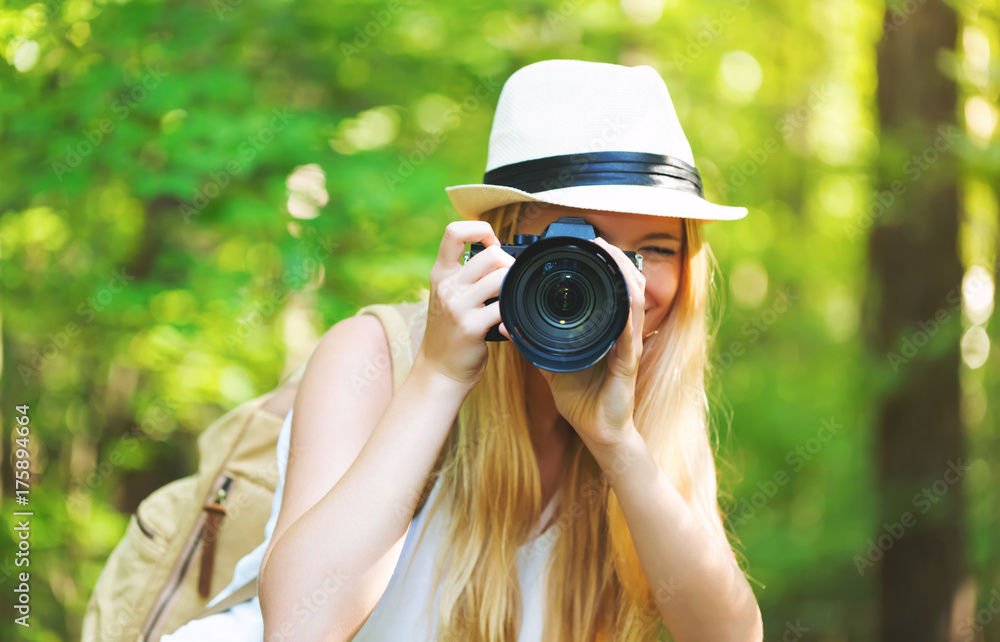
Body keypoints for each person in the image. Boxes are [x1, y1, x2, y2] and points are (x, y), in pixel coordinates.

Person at [164, 59, 763, 642]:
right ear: (503, 244)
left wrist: (619, 446)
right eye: (585, 245)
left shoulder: (652, 407)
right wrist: (439, 376)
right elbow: (298, 627)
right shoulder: (375, 358)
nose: (624, 280)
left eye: (653, 251)